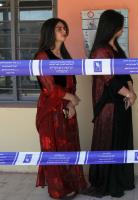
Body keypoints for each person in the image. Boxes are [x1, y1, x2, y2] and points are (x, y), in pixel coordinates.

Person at [34, 18, 87, 199]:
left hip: (68, 109)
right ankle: (58, 190)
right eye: (59, 28)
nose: (64, 31)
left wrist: (72, 103)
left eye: (65, 28)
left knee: (70, 147)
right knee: (54, 150)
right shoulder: (42, 56)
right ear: (50, 31)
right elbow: (49, 88)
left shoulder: (65, 55)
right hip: (50, 111)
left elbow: (72, 83)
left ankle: (72, 184)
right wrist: (71, 98)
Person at [87, 10, 137, 198]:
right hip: (109, 104)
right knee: (110, 142)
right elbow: (110, 79)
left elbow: (125, 73)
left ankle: (121, 180)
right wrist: (128, 94)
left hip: (122, 100)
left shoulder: (116, 47)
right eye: (120, 25)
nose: (122, 29)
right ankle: (107, 183)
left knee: (121, 141)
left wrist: (132, 92)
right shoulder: (101, 50)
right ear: (113, 27)